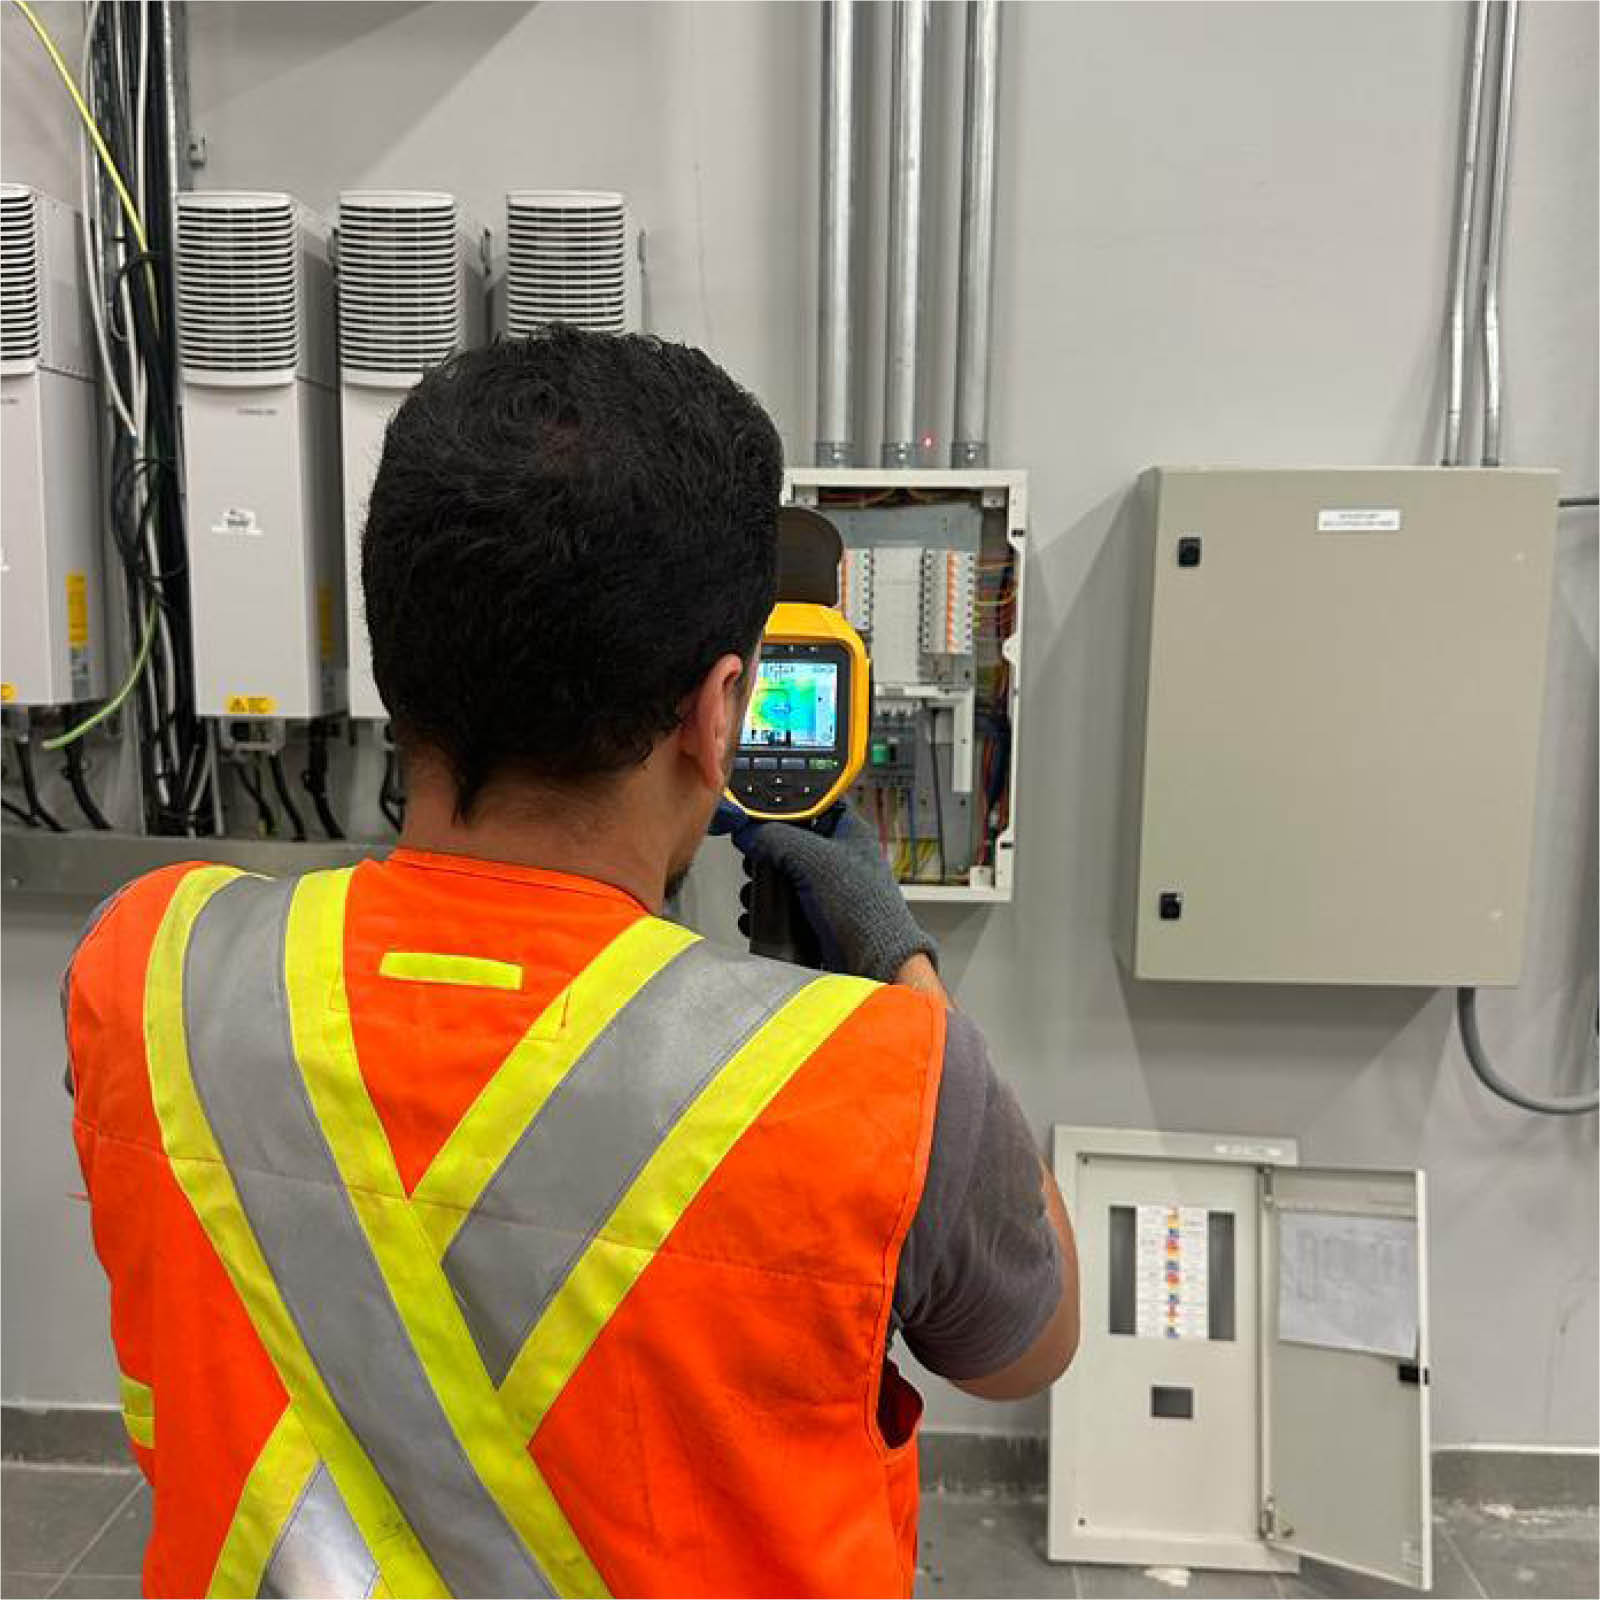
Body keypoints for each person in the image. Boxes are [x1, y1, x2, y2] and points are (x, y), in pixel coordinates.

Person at [62, 326, 1079, 1599]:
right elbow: (1027, 1347)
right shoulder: (881, 1080)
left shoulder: (147, 967)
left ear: (397, 660)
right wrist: (898, 961)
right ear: (716, 711)